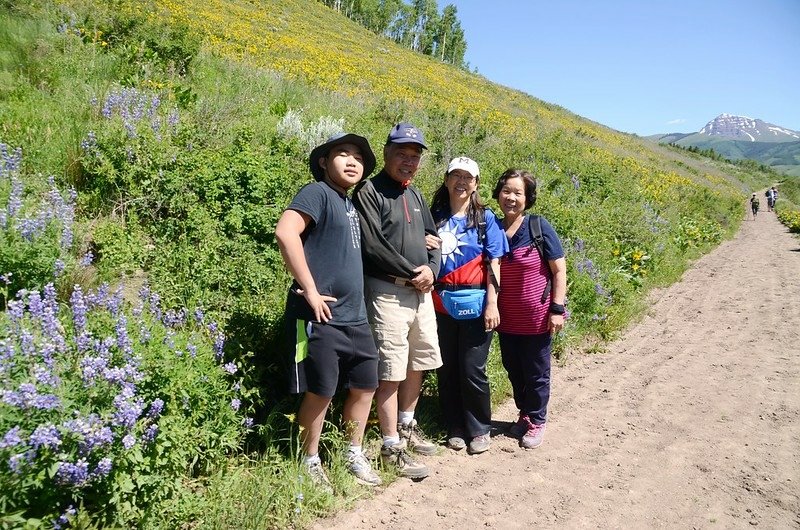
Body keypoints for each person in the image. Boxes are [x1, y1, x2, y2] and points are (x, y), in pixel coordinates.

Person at [275, 132, 381, 491]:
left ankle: (353, 453)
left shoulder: (348, 203)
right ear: (324, 161)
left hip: (356, 317)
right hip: (321, 317)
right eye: (343, 154)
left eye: (358, 157)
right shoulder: (317, 192)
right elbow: (285, 232)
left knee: (365, 386)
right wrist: (310, 289)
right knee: (320, 391)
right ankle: (309, 461)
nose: (352, 161)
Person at [353, 122, 442, 480]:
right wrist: (413, 272)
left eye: (415, 156)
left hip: (420, 292)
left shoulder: (416, 195)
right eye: (402, 154)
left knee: (416, 363)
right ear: (387, 153)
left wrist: (432, 272)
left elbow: (434, 238)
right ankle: (391, 447)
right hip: (388, 291)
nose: (408, 161)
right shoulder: (369, 191)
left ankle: (406, 427)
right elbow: (373, 247)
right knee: (390, 370)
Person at [429, 157, 508, 454]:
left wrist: (492, 303)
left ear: (476, 184)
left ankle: (479, 428)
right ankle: (454, 426)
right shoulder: (433, 216)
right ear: (447, 180)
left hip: (477, 303)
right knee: (446, 368)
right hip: (440, 304)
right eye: (456, 176)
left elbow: (494, 264)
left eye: (468, 177)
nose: (461, 182)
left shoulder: (485, 219)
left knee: (472, 368)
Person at [492, 169, 567, 449]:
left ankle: (537, 419)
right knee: (513, 369)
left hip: (537, 318)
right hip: (506, 318)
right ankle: (525, 413)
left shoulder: (538, 226)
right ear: (498, 193)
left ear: (528, 198)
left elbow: (559, 271)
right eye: (506, 191)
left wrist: (557, 309)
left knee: (536, 372)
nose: (511, 197)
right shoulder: (493, 228)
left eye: (518, 192)